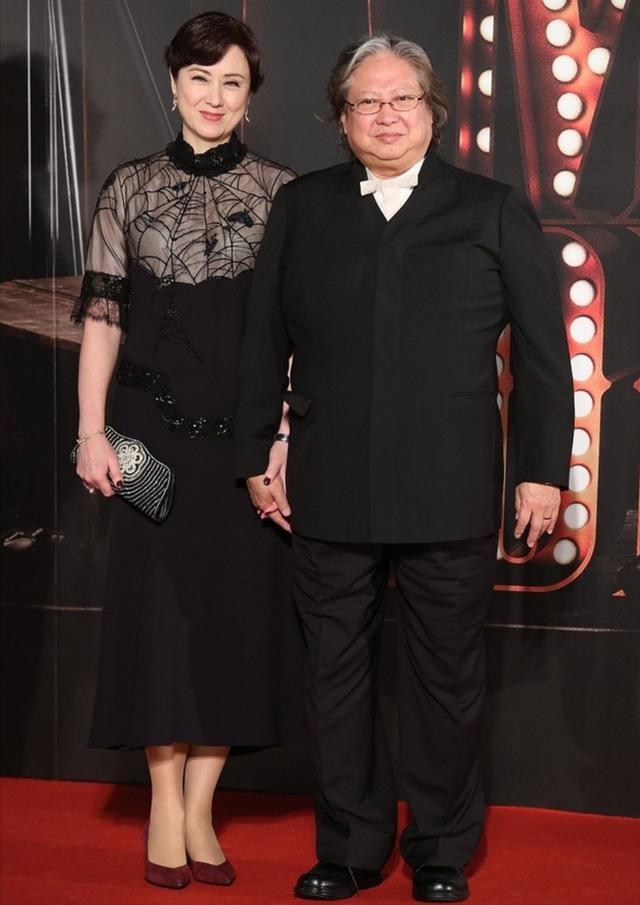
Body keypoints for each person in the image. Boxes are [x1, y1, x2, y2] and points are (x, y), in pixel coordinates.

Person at [235, 32, 573, 903]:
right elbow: (262, 339)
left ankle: (440, 849)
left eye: (402, 99)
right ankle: (348, 847)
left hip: (450, 488)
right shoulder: (303, 206)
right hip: (328, 482)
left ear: (432, 110)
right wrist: (255, 450)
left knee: (446, 680)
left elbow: (544, 356)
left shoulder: (492, 208)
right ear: (342, 118)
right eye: (367, 102)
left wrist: (541, 471)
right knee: (334, 676)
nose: (385, 115)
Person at [72, 10, 303, 891]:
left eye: (231, 81)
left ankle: (203, 806)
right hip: (143, 436)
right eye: (200, 78)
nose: (214, 96)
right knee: (159, 617)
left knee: (234, 617)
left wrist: (283, 435)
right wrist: (91, 431)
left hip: (244, 444)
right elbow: (102, 319)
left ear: (250, 96)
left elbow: (295, 333)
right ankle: (164, 807)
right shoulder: (127, 188)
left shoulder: (284, 193)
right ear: (173, 85)